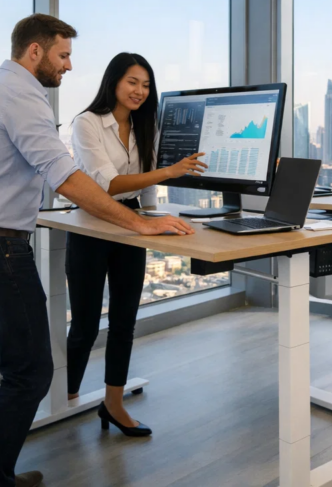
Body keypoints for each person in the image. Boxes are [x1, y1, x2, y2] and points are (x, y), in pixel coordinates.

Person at [0, 15, 194, 487]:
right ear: (34, 52)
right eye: (63, 55)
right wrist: (139, 222)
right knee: (32, 372)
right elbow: (69, 177)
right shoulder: (22, 96)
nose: (69, 66)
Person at [66, 52, 207, 436]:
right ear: (113, 81)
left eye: (146, 85)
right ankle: (66, 395)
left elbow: (143, 183)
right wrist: (170, 171)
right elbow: (107, 184)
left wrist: (152, 216)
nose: (140, 91)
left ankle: (113, 404)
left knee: (124, 321)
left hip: (130, 225)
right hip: (92, 226)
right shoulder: (87, 123)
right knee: (83, 323)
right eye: (132, 82)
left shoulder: (147, 126)